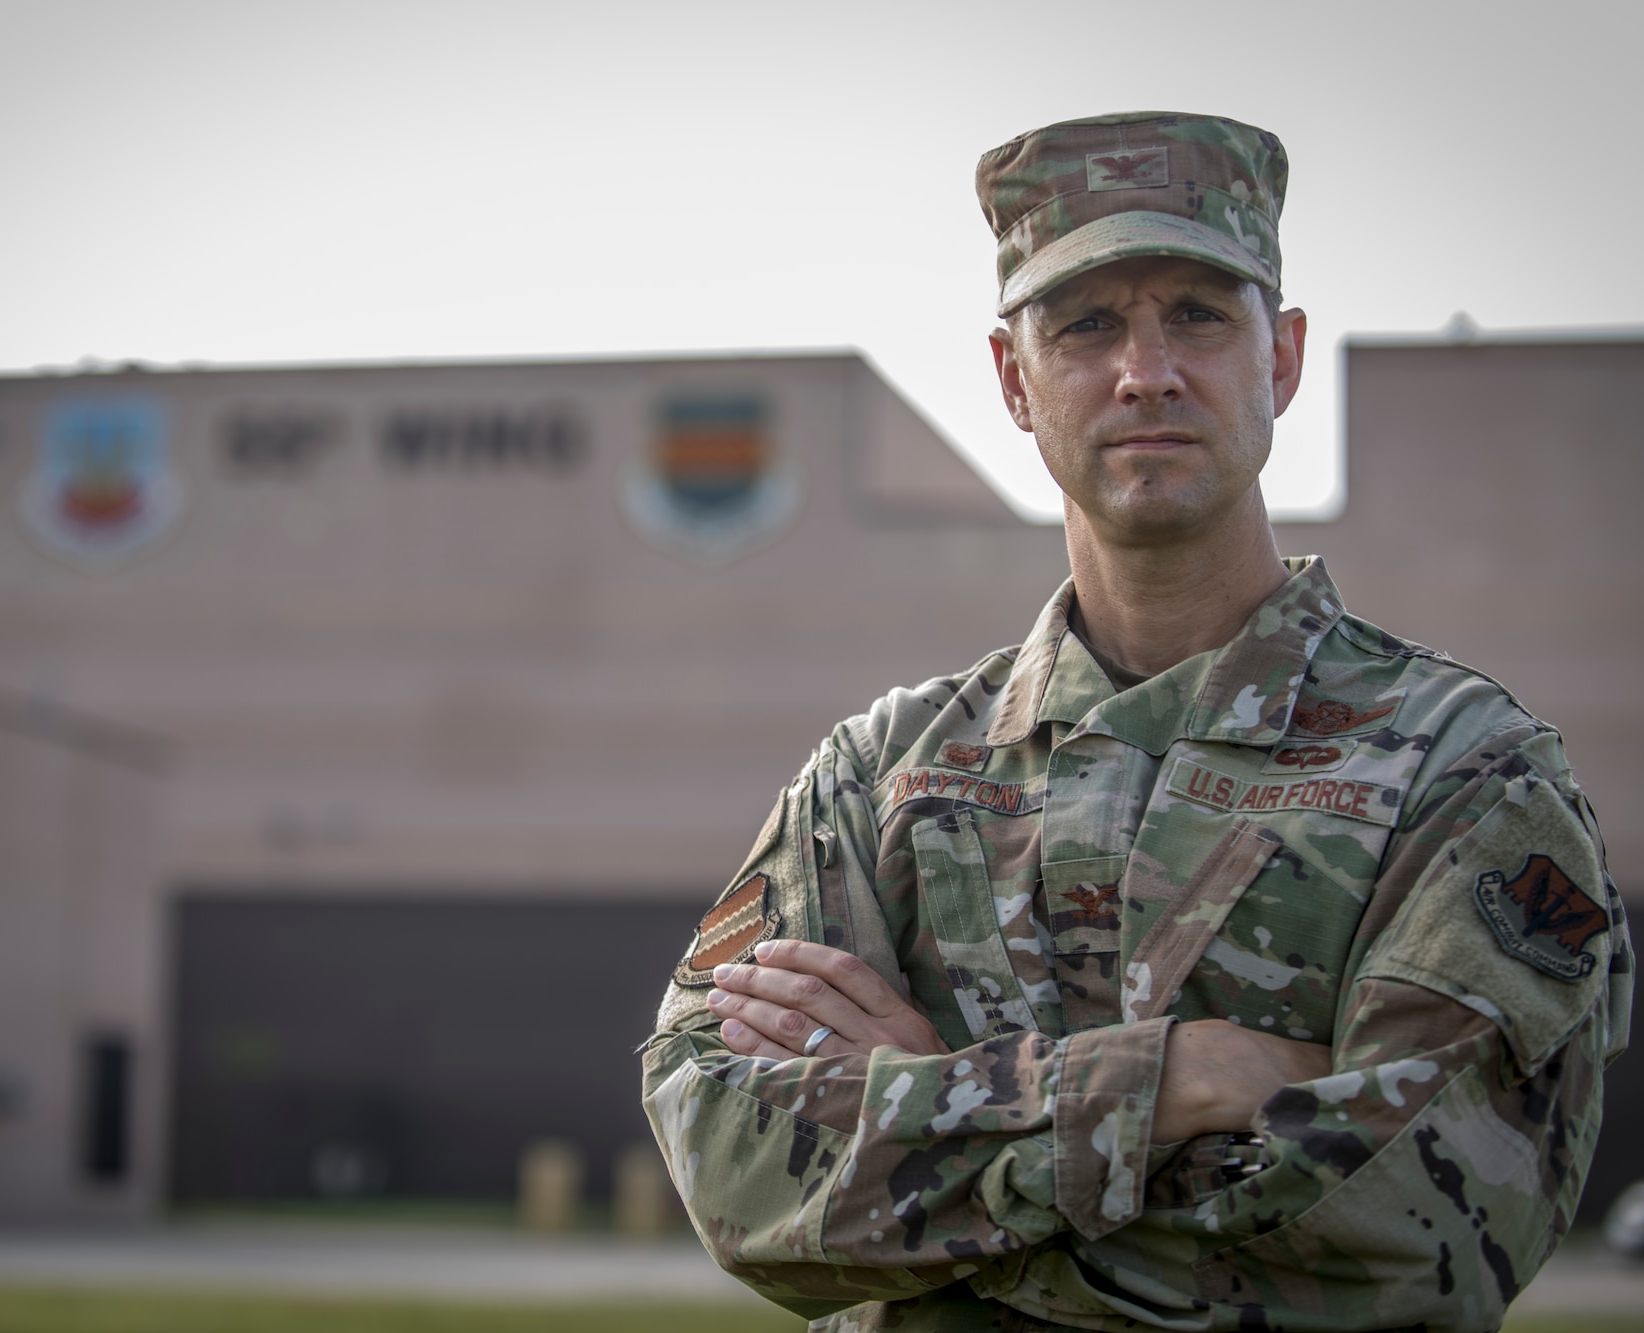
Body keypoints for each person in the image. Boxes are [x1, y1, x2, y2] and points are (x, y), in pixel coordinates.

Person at [639, 111, 1632, 1332]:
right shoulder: (880, 776)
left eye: (1198, 316)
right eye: (1086, 324)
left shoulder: (1462, 770)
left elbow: (1417, 1237)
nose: (1144, 370)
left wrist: (929, 1116)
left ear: (1278, 357)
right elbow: (732, 1164)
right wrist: (1172, 1084)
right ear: (1015, 379)